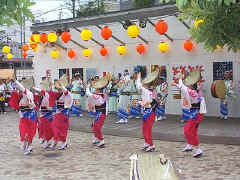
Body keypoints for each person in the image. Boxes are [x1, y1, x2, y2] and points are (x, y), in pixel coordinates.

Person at [172, 73, 206, 158]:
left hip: (196, 114)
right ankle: (190, 145)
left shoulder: (192, 92)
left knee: (188, 130)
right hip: (195, 113)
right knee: (192, 131)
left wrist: (180, 79)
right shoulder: (193, 91)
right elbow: (183, 88)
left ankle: (198, 149)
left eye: (189, 84)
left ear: (192, 86)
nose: (187, 85)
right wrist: (177, 83)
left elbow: (183, 88)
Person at [9, 79, 37, 155]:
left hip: (30, 116)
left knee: (29, 132)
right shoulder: (20, 95)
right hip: (24, 117)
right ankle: (25, 143)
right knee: (23, 130)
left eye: (20, 89)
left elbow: (22, 88)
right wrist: (9, 83)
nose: (19, 91)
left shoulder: (28, 93)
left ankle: (29, 146)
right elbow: (12, 89)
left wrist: (15, 81)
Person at [136, 71, 158, 152]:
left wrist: (138, 78)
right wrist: (140, 102)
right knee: (145, 129)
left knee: (147, 130)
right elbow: (147, 102)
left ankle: (151, 145)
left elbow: (138, 86)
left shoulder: (146, 91)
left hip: (149, 112)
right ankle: (147, 143)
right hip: (148, 112)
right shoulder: (148, 92)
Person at [85, 77, 108, 148]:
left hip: (101, 114)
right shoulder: (103, 95)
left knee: (97, 126)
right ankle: (97, 138)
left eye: (96, 89)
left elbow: (89, 94)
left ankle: (101, 140)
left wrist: (87, 87)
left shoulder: (98, 96)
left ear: (98, 89)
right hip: (100, 113)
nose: (95, 90)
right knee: (95, 126)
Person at [50, 81, 73, 150]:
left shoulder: (68, 94)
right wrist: (50, 86)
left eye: (60, 89)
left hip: (64, 114)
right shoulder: (58, 94)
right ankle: (56, 140)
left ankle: (63, 143)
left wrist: (61, 85)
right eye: (58, 89)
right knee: (54, 126)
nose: (59, 90)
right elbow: (49, 93)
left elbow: (65, 91)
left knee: (62, 129)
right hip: (58, 114)